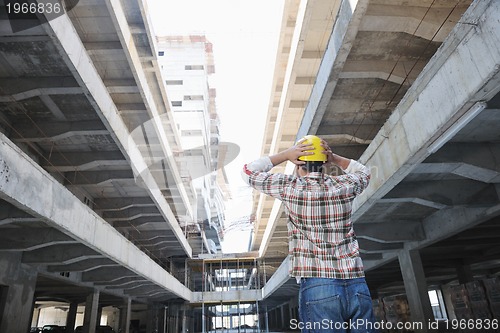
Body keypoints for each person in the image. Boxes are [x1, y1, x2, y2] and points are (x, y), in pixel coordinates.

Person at [241, 135, 377, 333]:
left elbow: (248, 172)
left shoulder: (290, 187)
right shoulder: (343, 186)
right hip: (356, 283)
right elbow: (364, 172)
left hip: (317, 284)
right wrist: (334, 158)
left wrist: (285, 155)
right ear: (324, 163)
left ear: (298, 165)